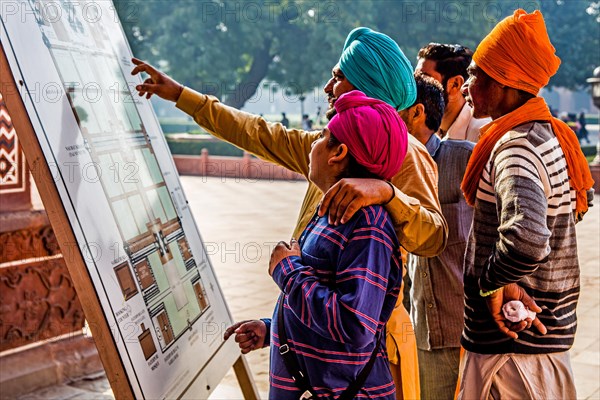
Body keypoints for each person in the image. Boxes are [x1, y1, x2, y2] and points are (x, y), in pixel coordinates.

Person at [133, 27, 447, 399]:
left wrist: (386, 192)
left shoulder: (400, 156)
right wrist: (182, 97)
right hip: (311, 342)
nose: (329, 88)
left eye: (339, 78)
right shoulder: (330, 144)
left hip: (354, 361)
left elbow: (432, 236)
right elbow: (258, 133)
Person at [458, 9, 595, 399]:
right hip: (535, 342)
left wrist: (490, 285)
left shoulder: (516, 146)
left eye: (475, 74)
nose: (468, 85)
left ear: (505, 82)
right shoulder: (542, 135)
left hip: (514, 350)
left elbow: (528, 238)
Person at [258, 90, 407, 399]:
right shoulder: (333, 212)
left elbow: (354, 325)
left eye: (320, 138)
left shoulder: (367, 224)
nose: (311, 145)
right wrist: (272, 329)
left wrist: (287, 270)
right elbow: (322, 302)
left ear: (337, 153)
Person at [399, 74, 474, 399]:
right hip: (423, 331)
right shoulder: (390, 172)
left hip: (468, 327)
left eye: (393, 108)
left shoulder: (466, 160)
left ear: (416, 113)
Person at [416, 43, 489, 142]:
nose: (416, 84)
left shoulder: (480, 134)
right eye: (415, 77)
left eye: (425, 77)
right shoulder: (426, 128)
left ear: (455, 84)